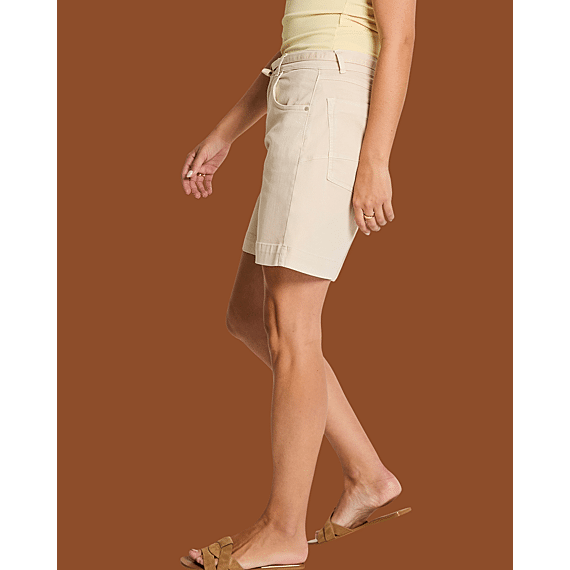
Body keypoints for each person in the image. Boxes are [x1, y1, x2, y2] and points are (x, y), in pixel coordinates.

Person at [180, 1, 416, 568]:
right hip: (302, 98)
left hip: (326, 109)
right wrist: (225, 132)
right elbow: (305, 39)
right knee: (248, 313)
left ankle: (283, 528)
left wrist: (376, 160)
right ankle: (367, 474)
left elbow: (399, 38)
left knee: (293, 325)